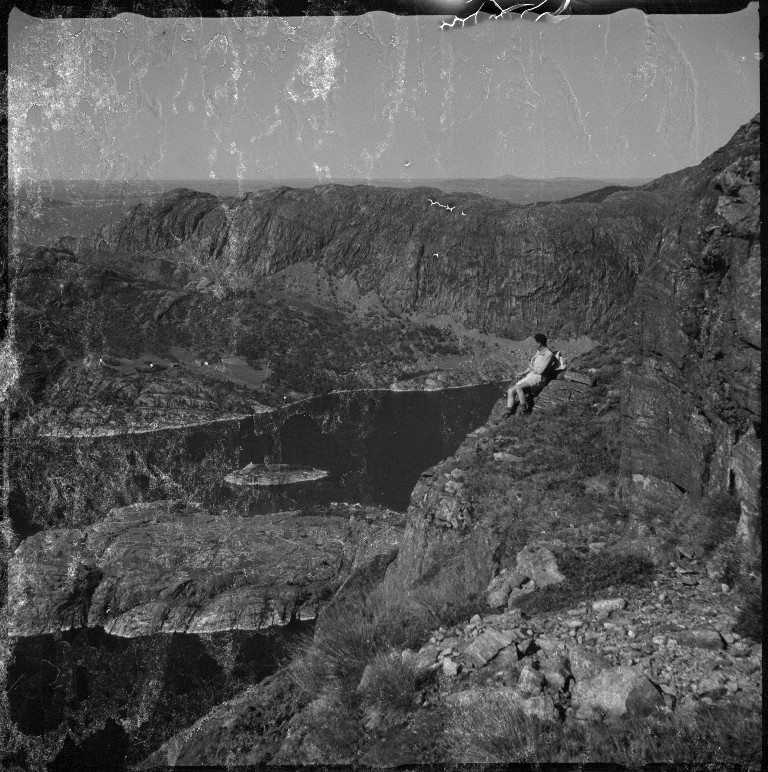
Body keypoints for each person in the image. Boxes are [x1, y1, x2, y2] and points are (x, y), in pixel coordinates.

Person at [505, 333, 554, 415]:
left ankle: (524, 409)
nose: (534, 345)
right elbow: (532, 366)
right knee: (510, 391)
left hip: (539, 378)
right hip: (531, 375)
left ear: (539, 343)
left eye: (535, 343)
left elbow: (540, 371)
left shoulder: (548, 355)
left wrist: (529, 365)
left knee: (518, 387)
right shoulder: (539, 352)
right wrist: (523, 373)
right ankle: (508, 412)